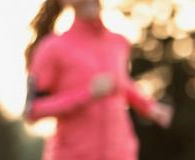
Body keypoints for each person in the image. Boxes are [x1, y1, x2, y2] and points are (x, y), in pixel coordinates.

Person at [23, 0, 173, 159]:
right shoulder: (52, 48)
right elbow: (33, 110)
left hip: (121, 153)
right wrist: (87, 93)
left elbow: (121, 82)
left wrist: (149, 107)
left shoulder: (118, 42)